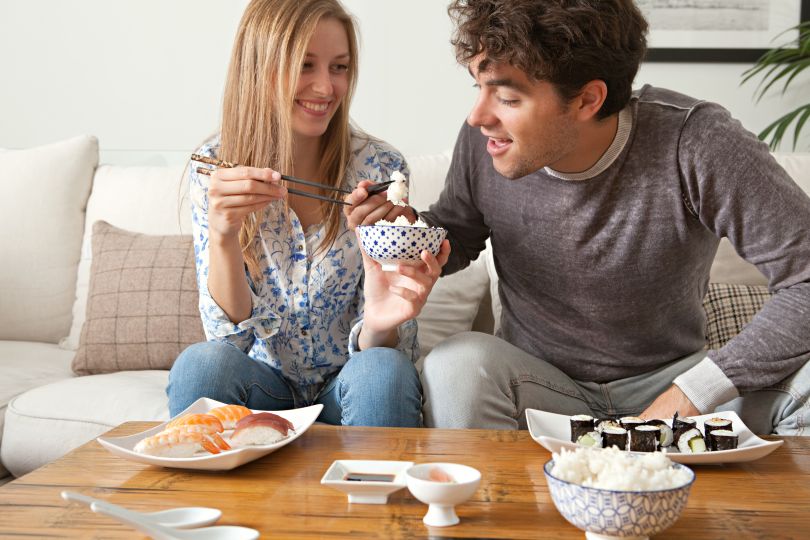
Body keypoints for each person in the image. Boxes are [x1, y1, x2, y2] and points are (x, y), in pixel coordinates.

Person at [345, 0, 810, 434]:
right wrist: (400, 230)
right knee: (455, 364)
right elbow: (459, 236)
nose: (477, 117)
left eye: (507, 98)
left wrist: (695, 392)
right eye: (478, 87)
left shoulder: (697, 141)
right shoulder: (486, 145)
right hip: (539, 385)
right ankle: (490, 520)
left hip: (671, 384)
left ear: (588, 100)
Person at [167, 0, 448, 427]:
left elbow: (389, 351)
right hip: (264, 389)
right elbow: (228, 342)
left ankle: (371, 492)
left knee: (382, 371)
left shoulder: (380, 171)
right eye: (305, 65)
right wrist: (224, 234)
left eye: (339, 67)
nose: (325, 88)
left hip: (347, 387)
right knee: (200, 366)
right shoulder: (217, 167)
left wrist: (378, 322)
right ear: (258, 68)